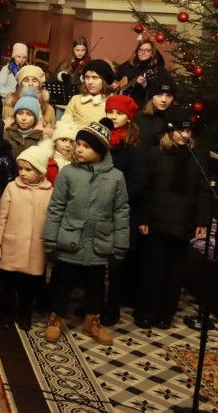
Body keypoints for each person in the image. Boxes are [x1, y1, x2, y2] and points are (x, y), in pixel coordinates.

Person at [43, 118, 129, 345]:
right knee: (63, 282)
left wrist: (120, 245)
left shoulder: (116, 177)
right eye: (78, 143)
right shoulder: (68, 174)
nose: (78, 149)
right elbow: (56, 208)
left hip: (99, 242)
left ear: (100, 150)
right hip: (71, 239)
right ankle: (56, 318)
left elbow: (121, 212)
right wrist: (50, 239)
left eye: (86, 146)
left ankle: (92, 322)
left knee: (96, 285)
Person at [135, 107, 209, 330]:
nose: (185, 135)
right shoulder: (155, 155)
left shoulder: (196, 158)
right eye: (180, 130)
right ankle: (146, 312)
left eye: (187, 131)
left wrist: (201, 221)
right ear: (169, 131)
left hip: (183, 224)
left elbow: (202, 191)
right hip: (157, 223)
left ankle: (165, 315)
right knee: (153, 270)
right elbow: (145, 190)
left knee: (174, 274)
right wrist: (143, 219)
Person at [0, 143, 54, 331]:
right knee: (7, 285)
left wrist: (50, 251)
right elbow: (1, 217)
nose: (23, 173)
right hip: (11, 247)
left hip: (36, 251)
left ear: (41, 171)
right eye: (21, 169)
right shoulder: (12, 188)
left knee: (30, 288)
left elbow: (52, 223)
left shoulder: (49, 193)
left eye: (29, 169)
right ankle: (7, 312)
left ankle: (24, 314)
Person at [100, 95, 146, 326]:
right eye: (110, 112)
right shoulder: (100, 139)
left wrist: (114, 198)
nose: (113, 117)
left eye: (119, 113)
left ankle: (112, 306)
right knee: (97, 261)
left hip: (121, 213)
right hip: (98, 210)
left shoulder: (134, 146)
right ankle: (95, 303)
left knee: (117, 264)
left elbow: (138, 181)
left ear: (128, 118)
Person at [114, 38, 166, 109]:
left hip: (141, 106)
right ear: (137, 52)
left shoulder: (155, 69)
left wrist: (145, 85)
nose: (143, 52)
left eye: (147, 50)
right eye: (141, 50)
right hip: (122, 103)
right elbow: (115, 73)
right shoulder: (130, 64)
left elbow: (158, 91)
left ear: (152, 53)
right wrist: (113, 83)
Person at [62, 59, 114, 128]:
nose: (89, 82)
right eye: (87, 77)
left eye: (95, 77)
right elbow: (63, 126)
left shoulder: (112, 103)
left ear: (105, 80)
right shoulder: (76, 99)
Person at [134, 70, 177, 147]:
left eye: (169, 95)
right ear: (152, 96)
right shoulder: (138, 117)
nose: (164, 100)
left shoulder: (177, 119)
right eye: (159, 95)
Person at [3, 89, 45, 157]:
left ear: (35, 118)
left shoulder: (42, 138)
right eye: (20, 113)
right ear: (15, 115)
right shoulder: (6, 135)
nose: (23, 118)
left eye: (29, 114)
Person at [51, 36, 90, 109]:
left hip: (80, 102)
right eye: (77, 50)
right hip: (63, 101)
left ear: (86, 50)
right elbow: (51, 79)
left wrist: (85, 80)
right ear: (73, 50)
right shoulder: (65, 62)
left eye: (83, 50)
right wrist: (60, 76)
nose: (80, 53)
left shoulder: (89, 64)